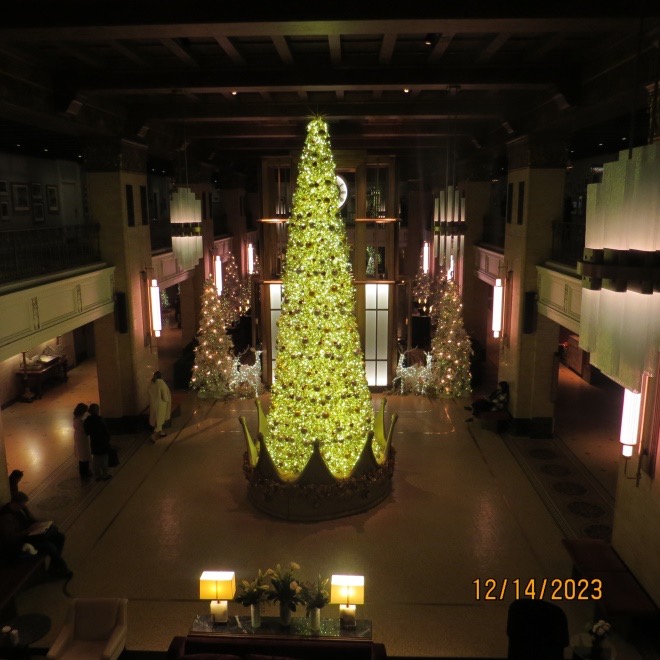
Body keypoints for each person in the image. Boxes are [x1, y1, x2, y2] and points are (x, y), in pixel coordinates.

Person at [0, 491, 72, 579]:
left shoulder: (18, 509)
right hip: (21, 542)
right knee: (49, 546)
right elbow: (10, 538)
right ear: (15, 503)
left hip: (29, 535)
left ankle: (54, 567)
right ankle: (63, 567)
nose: (23, 507)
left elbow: (31, 520)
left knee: (60, 537)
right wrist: (26, 531)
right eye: (22, 505)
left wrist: (28, 512)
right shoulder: (6, 518)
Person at [84, 403, 112, 481]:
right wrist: (108, 439)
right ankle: (105, 475)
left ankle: (97, 476)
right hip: (103, 442)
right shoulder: (100, 419)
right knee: (104, 459)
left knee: (96, 459)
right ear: (96, 410)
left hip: (94, 442)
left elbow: (87, 432)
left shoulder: (87, 420)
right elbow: (106, 431)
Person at [148, 371, 171, 443]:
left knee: (157, 419)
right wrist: (167, 400)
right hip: (161, 405)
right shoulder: (161, 383)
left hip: (154, 404)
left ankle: (161, 432)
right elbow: (164, 396)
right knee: (159, 419)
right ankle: (153, 435)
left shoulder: (152, 383)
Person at [73, 402, 92, 480]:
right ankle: (85, 472)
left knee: (81, 455)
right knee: (84, 454)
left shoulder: (75, 418)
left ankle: (84, 472)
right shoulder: (80, 420)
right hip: (82, 438)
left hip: (78, 436)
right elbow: (85, 429)